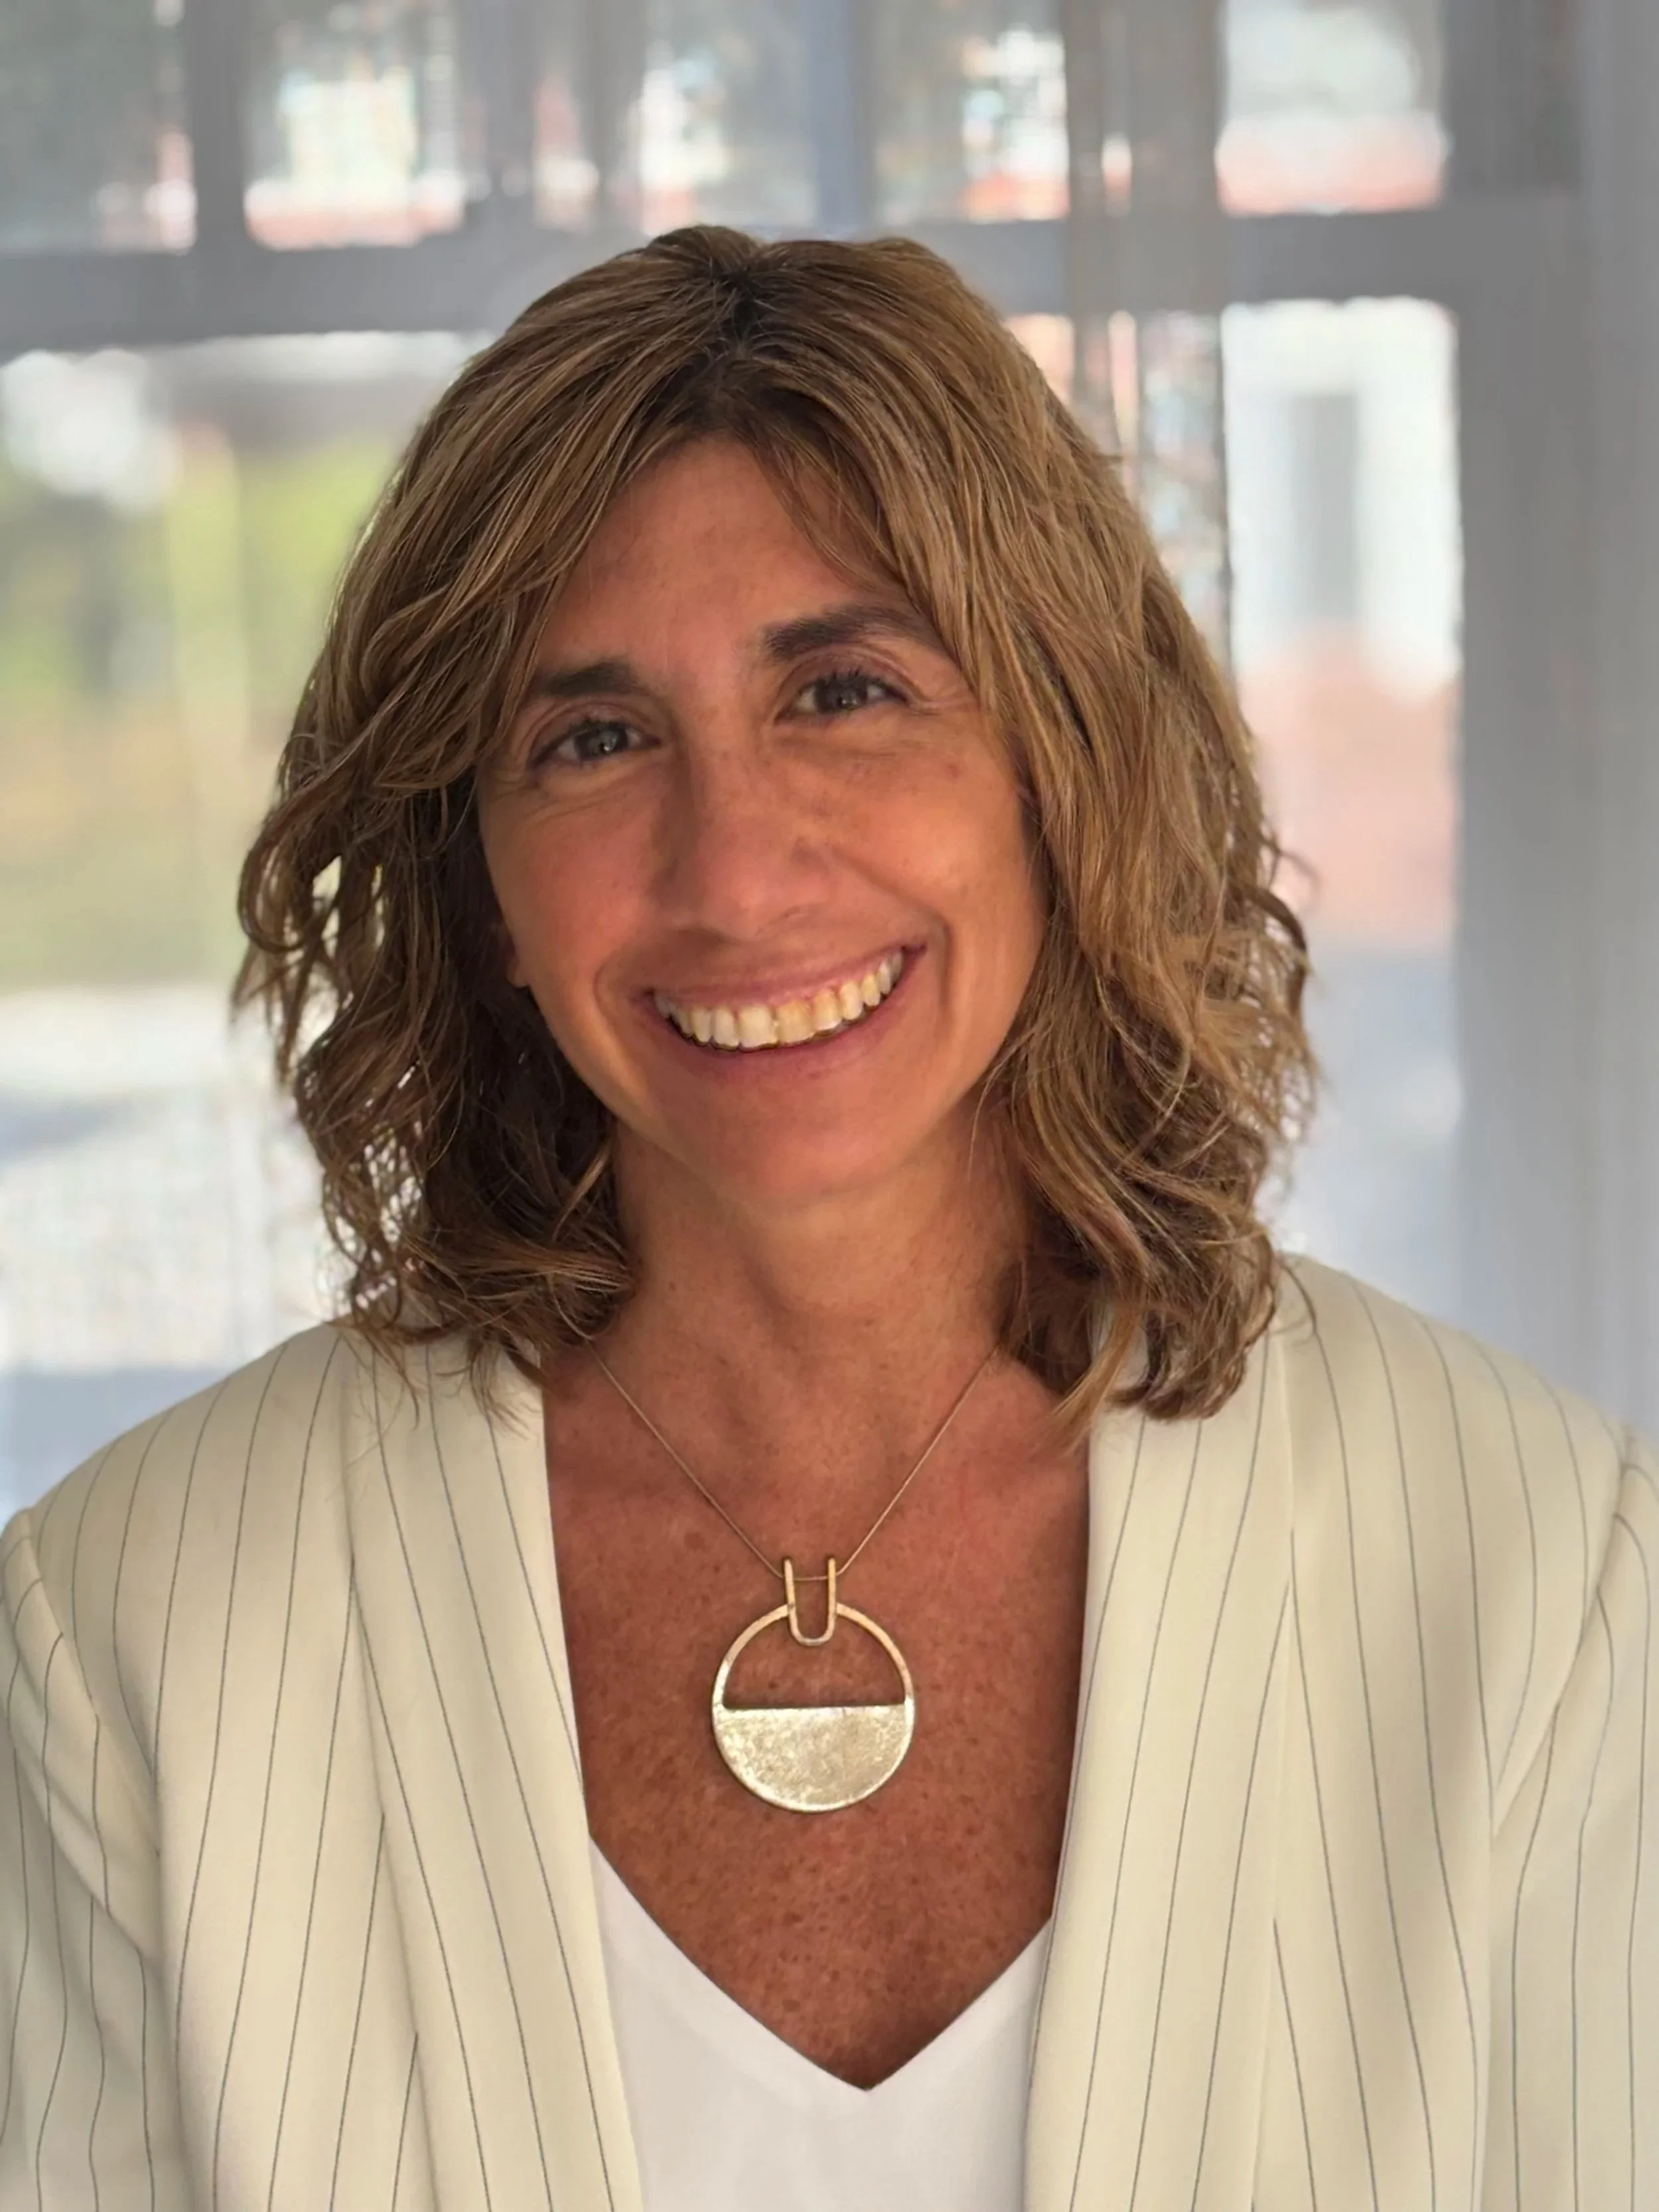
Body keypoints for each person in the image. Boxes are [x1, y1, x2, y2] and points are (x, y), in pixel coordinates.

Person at [1, 226, 1653, 2212]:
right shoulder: (130, 1628)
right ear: (480, 888)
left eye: (844, 692)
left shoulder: (1540, 1569)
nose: (733, 875)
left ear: (1061, 769)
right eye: (593, 738)